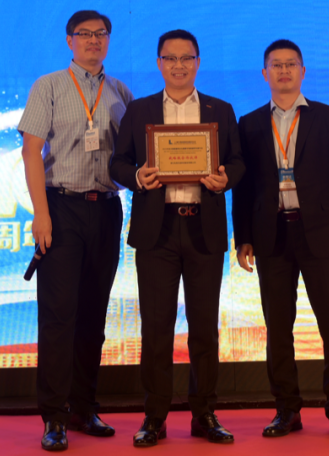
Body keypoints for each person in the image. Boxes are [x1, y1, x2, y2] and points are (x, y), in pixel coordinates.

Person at [110, 29, 245, 448]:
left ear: (198, 63)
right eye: (170, 58)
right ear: (159, 64)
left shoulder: (220, 110)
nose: (179, 66)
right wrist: (137, 176)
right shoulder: (140, 110)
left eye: (187, 58)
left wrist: (225, 178)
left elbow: (238, 161)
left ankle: (204, 413)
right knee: (156, 329)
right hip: (158, 231)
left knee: (205, 329)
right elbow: (118, 163)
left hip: (204, 229)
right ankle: (154, 417)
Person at [232, 39, 329, 441]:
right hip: (271, 235)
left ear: (303, 72)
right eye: (277, 65)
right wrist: (243, 238)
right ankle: (286, 410)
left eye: (291, 64)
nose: (284, 71)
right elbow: (244, 188)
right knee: (278, 329)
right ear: (265, 73)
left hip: (321, 235)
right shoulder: (250, 123)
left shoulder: (328, 117)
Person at [19, 10, 134, 452]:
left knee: (93, 316)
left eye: (101, 34)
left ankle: (85, 408)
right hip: (60, 208)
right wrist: (40, 213)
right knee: (58, 317)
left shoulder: (120, 91)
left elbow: (133, 155)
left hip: (106, 209)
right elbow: (31, 151)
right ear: (70, 40)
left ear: (109, 39)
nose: (93, 41)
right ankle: (54, 416)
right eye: (84, 34)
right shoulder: (48, 86)